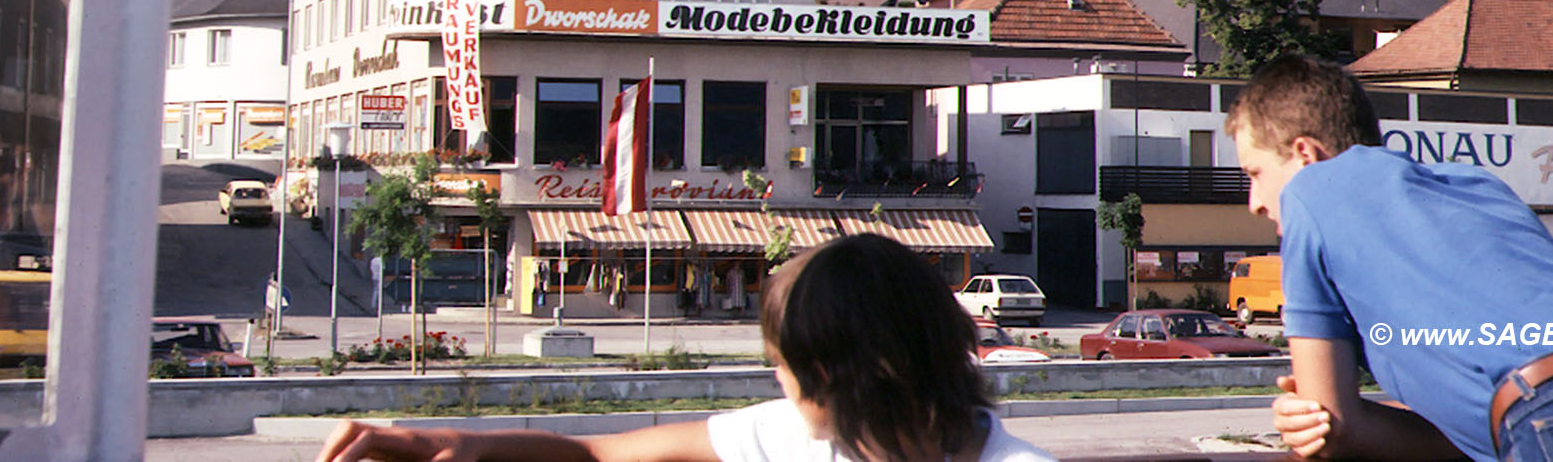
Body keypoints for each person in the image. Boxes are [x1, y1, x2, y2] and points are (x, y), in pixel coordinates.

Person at [1229, 54, 1553, 461]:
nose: (1253, 203)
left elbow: (1334, 432)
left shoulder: (1309, 191)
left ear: (1305, 153)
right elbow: (1485, 431)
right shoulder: (1475, 183)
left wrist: (1315, 421)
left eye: (1254, 174)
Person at [317, 233, 1055, 462]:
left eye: (779, 358)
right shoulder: (793, 435)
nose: (774, 375)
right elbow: (596, 455)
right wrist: (445, 439)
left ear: (828, 366)